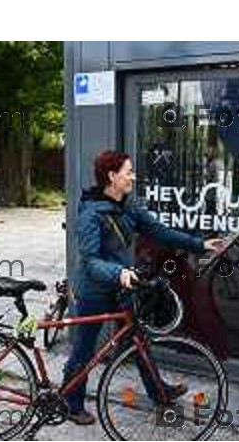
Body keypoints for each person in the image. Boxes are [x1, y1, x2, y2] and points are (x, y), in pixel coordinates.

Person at [63, 150, 225, 424]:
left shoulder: (128, 205)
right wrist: (119, 272)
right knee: (84, 349)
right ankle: (71, 403)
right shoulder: (90, 214)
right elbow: (90, 261)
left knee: (137, 341)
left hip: (122, 286)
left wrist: (199, 244)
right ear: (112, 176)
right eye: (128, 172)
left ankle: (159, 391)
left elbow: (158, 230)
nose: (133, 177)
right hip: (94, 291)